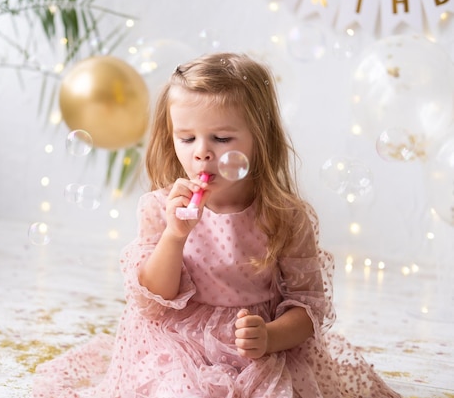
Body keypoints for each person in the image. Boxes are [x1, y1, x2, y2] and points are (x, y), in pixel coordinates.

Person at [32, 52, 402, 397]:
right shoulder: (161, 208)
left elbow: (308, 308)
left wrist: (270, 337)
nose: (201, 152)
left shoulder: (284, 216)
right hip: (178, 341)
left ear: (261, 139)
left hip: (255, 345)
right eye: (187, 137)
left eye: (222, 138)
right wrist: (174, 237)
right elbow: (153, 301)